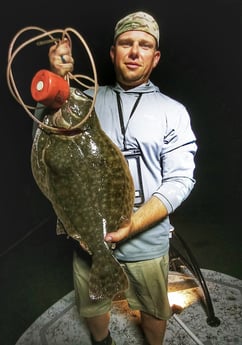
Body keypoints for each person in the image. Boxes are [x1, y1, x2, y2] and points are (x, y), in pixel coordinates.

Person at [48, 11, 197, 345]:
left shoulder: (172, 111)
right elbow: (49, 140)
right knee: (93, 305)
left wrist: (133, 223)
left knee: (155, 310)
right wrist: (58, 82)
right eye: (126, 43)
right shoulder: (84, 102)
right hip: (90, 232)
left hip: (147, 238)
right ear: (113, 52)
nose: (134, 52)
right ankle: (104, 342)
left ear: (155, 57)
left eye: (144, 45)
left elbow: (180, 179)